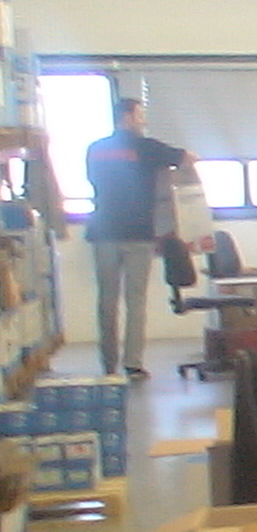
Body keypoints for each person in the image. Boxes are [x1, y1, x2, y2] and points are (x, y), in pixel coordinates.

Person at [85, 98, 189, 377]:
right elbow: (187, 158)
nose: (143, 120)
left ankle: (108, 363)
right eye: (140, 114)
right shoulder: (147, 147)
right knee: (136, 300)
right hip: (138, 233)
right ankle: (132, 363)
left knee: (106, 300)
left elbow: (93, 181)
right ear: (128, 117)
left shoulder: (95, 149)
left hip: (103, 231)